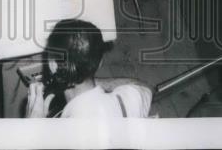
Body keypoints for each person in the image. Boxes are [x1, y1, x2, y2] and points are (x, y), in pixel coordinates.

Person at [25, 19, 153, 118]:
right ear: (99, 63)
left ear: (53, 64)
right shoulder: (131, 98)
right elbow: (145, 88)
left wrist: (33, 129)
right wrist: (86, 78)